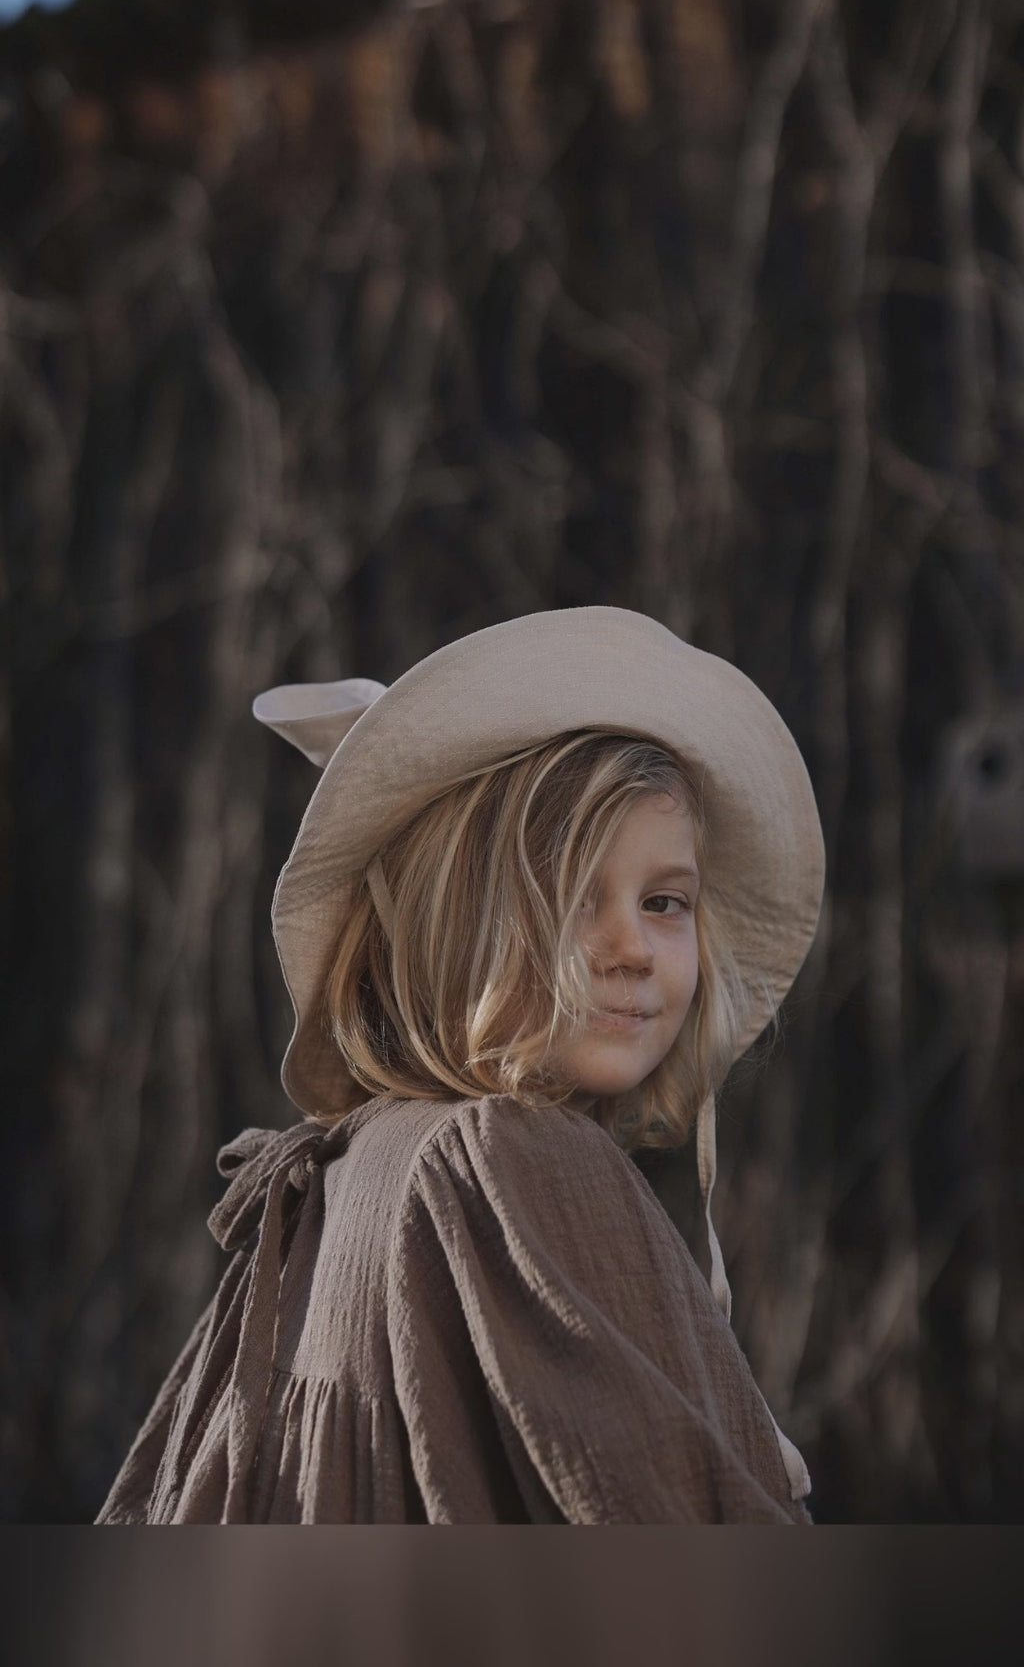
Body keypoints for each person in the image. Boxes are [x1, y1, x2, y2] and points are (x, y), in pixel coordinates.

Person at [96, 605, 825, 1524]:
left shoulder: (350, 1162)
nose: (631, 947)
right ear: (449, 923)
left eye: (666, 901)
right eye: (566, 895)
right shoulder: (509, 1158)